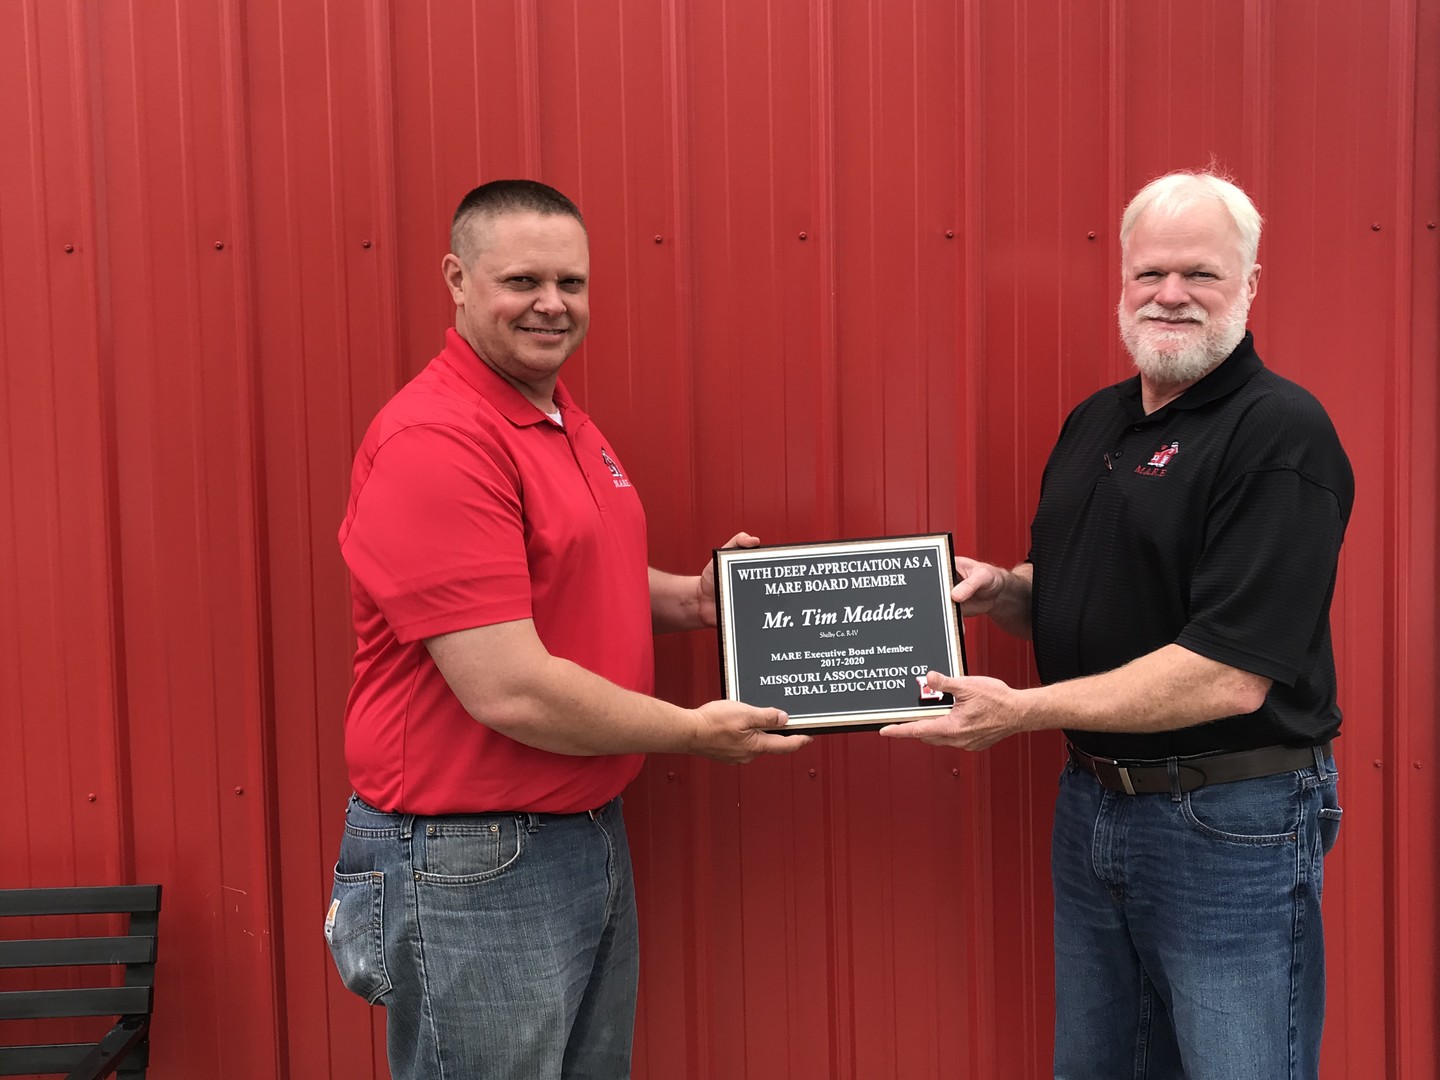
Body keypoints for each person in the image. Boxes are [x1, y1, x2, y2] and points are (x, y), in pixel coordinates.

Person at [324, 178, 810, 1080]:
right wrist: (693, 733)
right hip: (472, 855)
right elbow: (506, 685)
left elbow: (580, 584)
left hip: (576, 827)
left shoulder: (557, 419)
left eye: (572, 283)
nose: (552, 304)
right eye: (522, 281)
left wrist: (701, 601)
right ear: (457, 280)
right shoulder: (439, 440)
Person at [882, 171, 1352, 1079]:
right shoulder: (1096, 420)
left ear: (1251, 287)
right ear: (1123, 282)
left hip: (1228, 820)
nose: (1170, 295)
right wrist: (1002, 592)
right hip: (1095, 804)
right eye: (1150, 273)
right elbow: (1090, 598)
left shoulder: (1279, 434)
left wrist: (1020, 710)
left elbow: (1228, 670)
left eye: (1202, 275)